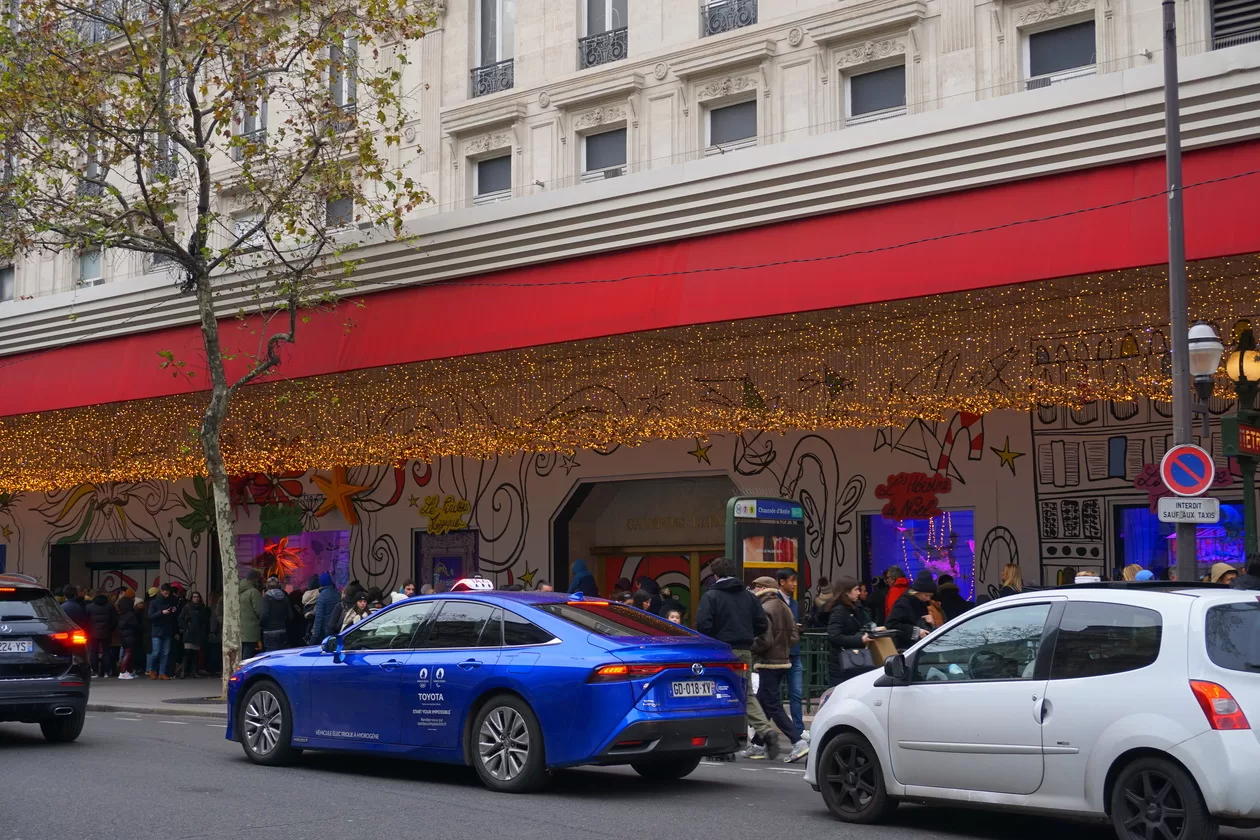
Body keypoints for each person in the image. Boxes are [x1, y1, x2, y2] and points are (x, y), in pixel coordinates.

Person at [695, 556, 780, 760]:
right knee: (746, 694)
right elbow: (762, 624)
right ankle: (767, 731)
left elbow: (703, 625)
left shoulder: (712, 595)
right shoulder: (748, 596)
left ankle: (722, 745)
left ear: (716, 575)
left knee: (717, 694)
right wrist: (746, 634)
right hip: (744, 651)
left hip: (719, 652)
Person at [750, 576, 809, 764]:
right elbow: (793, 636)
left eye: (756, 587)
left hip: (768, 663)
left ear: (764, 589)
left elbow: (764, 640)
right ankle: (758, 745)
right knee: (762, 701)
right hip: (783, 661)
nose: (754, 590)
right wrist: (782, 648)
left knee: (773, 704)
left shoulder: (764, 608)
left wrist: (752, 647)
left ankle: (797, 741)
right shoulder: (784, 606)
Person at [827, 578, 875, 684]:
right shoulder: (839, 611)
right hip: (842, 661)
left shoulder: (855, 608)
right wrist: (860, 639)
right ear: (847, 592)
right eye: (856, 589)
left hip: (852, 658)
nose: (859, 592)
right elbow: (834, 636)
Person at [776, 568, 805, 737]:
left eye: (795, 580)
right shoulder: (775, 600)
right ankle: (762, 735)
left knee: (796, 693)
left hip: (794, 652)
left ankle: (798, 730)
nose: (794, 584)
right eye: (791, 580)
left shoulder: (794, 603)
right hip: (778, 655)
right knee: (774, 696)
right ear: (782, 582)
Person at [886, 571, 937, 650]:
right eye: (926, 595)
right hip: (905, 648)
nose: (928, 598)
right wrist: (916, 631)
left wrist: (932, 624)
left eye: (930, 596)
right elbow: (891, 624)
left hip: (918, 647)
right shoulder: (904, 603)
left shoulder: (922, 602)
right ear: (917, 592)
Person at [146, 583, 179, 679]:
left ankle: (162, 672)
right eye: (165, 593)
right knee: (156, 651)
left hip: (167, 629)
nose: (167, 595)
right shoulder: (154, 602)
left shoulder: (171, 600)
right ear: (161, 592)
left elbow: (174, 616)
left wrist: (173, 611)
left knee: (166, 652)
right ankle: (152, 669)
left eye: (168, 593)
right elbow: (150, 616)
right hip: (157, 630)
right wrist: (161, 612)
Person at [85, 589, 119, 678]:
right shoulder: (110, 606)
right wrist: (110, 629)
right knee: (106, 651)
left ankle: (95, 671)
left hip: (93, 633)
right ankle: (106, 672)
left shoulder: (89, 607)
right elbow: (114, 620)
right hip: (107, 632)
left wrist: (89, 630)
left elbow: (86, 621)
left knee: (94, 652)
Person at [178, 591, 210, 678]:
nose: (196, 598)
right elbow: (180, 618)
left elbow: (205, 621)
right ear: (191, 598)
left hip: (197, 633)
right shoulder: (187, 607)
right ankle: (183, 671)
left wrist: (203, 630)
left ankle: (194, 671)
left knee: (196, 654)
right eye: (194, 597)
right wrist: (186, 627)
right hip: (189, 633)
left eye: (197, 597)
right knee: (187, 652)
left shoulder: (202, 608)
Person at [259, 576, 293, 652]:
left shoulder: (267, 597)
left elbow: (264, 615)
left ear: (267, 586)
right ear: (278, 585)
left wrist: (261, 624)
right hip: (282, 630)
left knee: (271, 655)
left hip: (269, 632)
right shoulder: (285, 597)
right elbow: (291, 616)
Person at [238, 570, 265, 661]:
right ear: (256, 579)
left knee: (240, 652)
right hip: (251, 629)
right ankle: (245, 673)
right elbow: (260, 611)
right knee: (248, 653)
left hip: (238, 628)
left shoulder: (237, 591)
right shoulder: (254, 592)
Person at [116, 591, 141, 679]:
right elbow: (135, 625)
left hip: (123, 636)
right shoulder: (131, 615)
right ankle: (123, 672)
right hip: (130, 636)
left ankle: (128, 671)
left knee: (127, 653)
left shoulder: (121, 614)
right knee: (128, 654)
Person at [310, 572, 340, 642]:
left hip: (325, 630)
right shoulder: (338, 594)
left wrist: (315, 635)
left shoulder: (322, 596)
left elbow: (319, 617)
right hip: (336, 628)